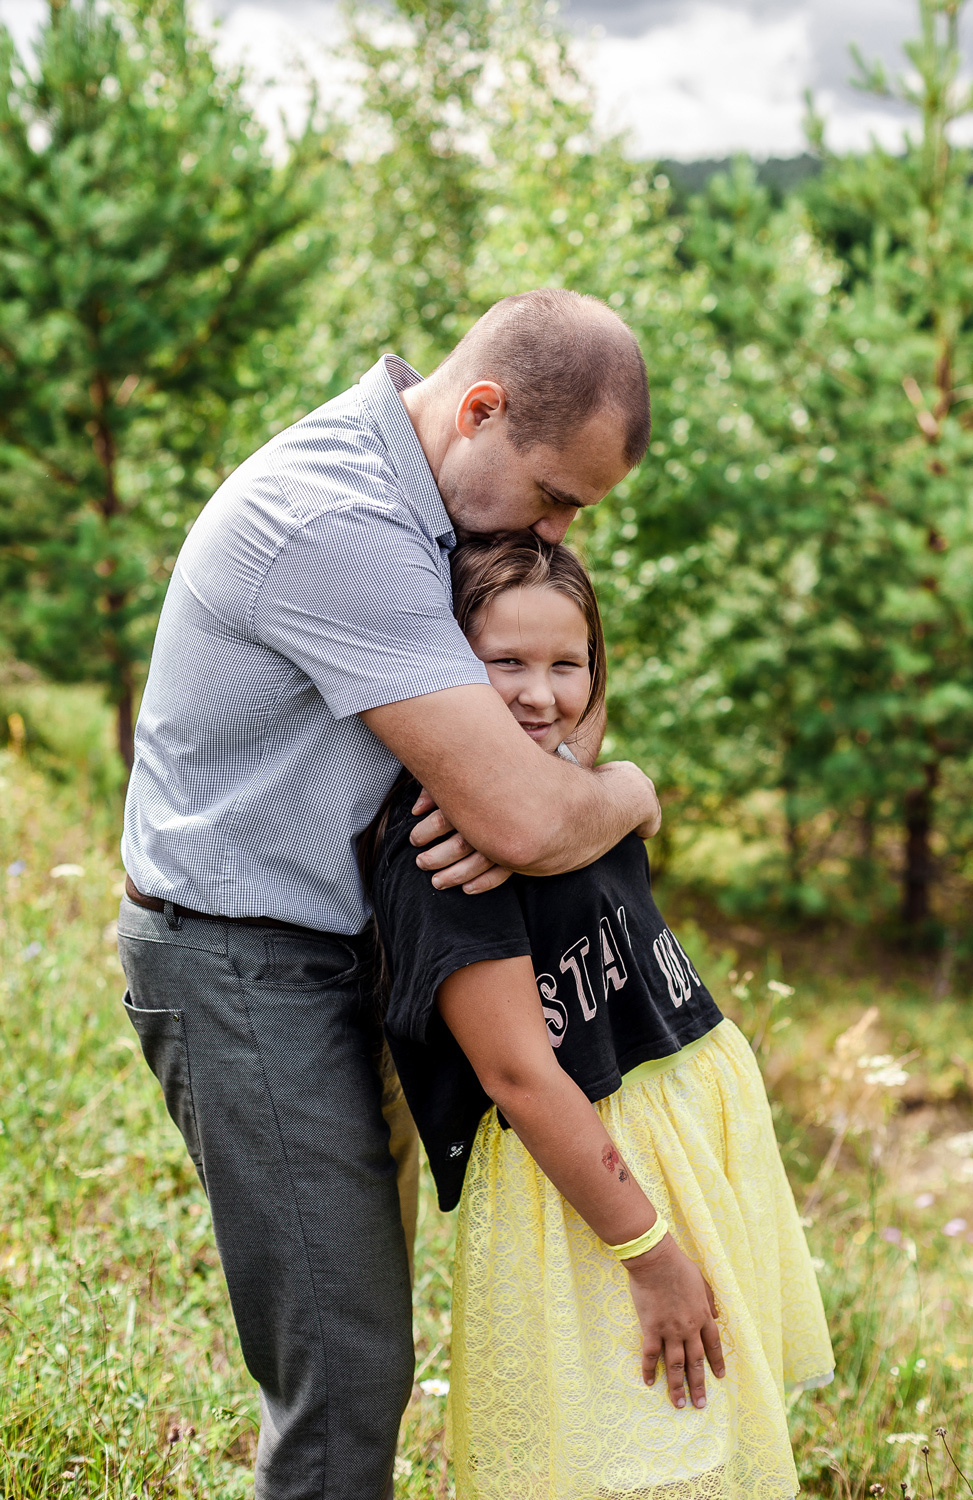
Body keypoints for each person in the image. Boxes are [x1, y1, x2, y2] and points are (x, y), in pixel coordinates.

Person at [116, 288, 663, 1500]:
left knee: (362, 1335)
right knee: (346, 1373)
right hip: (245, 963)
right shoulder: (334, 519)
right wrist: (623, 792)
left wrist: (546, 777)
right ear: (479, 410)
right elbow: (525, 811)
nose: (565, 532)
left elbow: (561, 680)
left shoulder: (442, 497)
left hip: (355, 957)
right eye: (558, 497)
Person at [364, 533, 834, 1500]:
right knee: (626, 1454)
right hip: (592, 1195)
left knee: (703, 1434)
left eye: (565, 663)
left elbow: (589, 744)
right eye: (504, 664)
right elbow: (520, 1077)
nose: (541, 694)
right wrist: (650, 1253)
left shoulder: (575, 791)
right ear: (446, 668)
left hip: (681, 1157)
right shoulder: (446, 846)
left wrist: (624, 790)